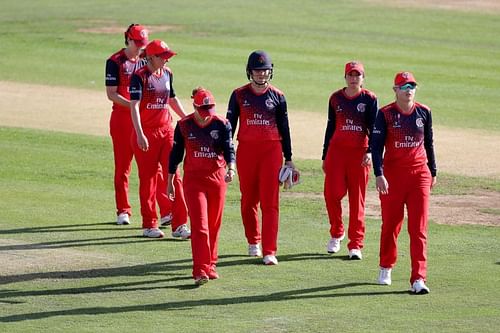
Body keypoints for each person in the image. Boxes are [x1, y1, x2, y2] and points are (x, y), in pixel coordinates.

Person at [226, 50, 296, 265]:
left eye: (265, 70)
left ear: (270, 71)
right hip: (247, 151)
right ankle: (253, 241)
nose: (261, 74)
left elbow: (285, 128)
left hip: (271, 152)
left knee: (270, 201)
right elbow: (229, 128)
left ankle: (269, 250)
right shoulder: (239, 95)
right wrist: (227, 157)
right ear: (250, 72)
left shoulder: (278, 96)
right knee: (248, 201)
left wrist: (289, 158)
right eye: (257, 70)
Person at [371, 71, 437, 294]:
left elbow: (429, 143)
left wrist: (433, 172)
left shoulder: (424, 112)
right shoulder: (385, 114)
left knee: (418, 228)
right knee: (391, 224)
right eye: (404, 87)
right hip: (393, 176)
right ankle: (386, 266)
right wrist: (379, 174)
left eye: (412, 86)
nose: (408, 90)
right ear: (395, 90)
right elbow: (376, 146)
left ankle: (418, 278)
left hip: (419, 174)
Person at [105, 24, 173, 227]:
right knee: (123, 167)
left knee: (156, 171)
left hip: (146, 120)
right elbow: (111, 93)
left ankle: (166, 211)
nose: (141, 48)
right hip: (122, 120)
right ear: (128, 39)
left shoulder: (148, 61)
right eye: (137, 43)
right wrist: (135, 106)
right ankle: (123, 210)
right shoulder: (115, 61)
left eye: (143, 44)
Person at [168, 87, 236, 285]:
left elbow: (229, 149)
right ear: (195, 107)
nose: (207, 116)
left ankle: (211, 265)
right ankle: (199, 270)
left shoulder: (222, 124)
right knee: (200, 226)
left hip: (217, 180)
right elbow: (176, 155)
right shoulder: (184, 125)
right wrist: (170, 180)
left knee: (214, 225)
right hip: (194, 181)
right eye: (203, 110)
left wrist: (231, 169)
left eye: (209, 110)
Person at [129, 39, 190, 239]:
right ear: (152, 57)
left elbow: (171, 98)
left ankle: (180, 224)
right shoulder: (139, 76)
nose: (167, 60)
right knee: (148, 180)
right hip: (146, 133)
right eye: (163, 57)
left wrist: (186, 119)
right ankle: (149, 224)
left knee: (175, 176)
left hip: (167, 132)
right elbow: (134, 106)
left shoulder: (168, 73)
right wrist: (139, 134)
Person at [322, 61, 378, 260]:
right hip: (337, 152)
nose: (354, 79)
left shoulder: (370, 99)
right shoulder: (336, 98)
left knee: (357, 200)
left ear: (363, 78)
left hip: (359, 154)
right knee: (331, 194)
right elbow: (330, 127)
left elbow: (374, 130)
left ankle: (355, 244)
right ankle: (337, 233)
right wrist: (324, 154)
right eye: (350, 75)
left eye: (358, 75)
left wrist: (371, 152)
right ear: (345, 77)